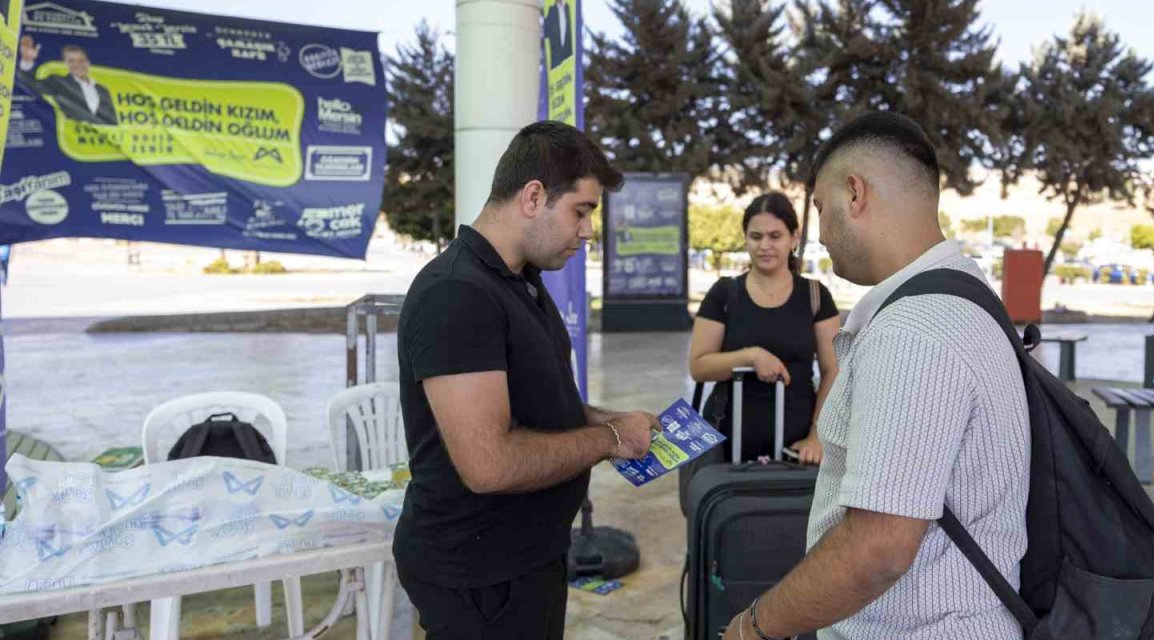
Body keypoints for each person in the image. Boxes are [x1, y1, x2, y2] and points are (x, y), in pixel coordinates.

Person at [722, 112, 1030, 639]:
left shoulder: (912, 331)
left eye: (819, 208)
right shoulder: (965, 290)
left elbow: (878, 547)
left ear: (855, 193)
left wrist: (754, 627)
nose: (818, 235)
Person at [394, 121, 659, 639]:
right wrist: (608, 440)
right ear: (534, 197)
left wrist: (613, 421)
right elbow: (488, 464)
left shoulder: (519, 282)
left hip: (528, 557)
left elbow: (544, 406)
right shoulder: (456, 294)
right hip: (479, 576)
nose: (587, 231)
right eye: (581, 211)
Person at [688, 193, 840, 464]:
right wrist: (751, 356)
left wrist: (817, 436)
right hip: (727, 441)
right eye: (756, 237)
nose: (765, 245)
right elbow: (699, 366)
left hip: (797, 444)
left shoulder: (816, 296)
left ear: (794, 238)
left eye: (775, 236)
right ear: (745, 238)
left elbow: (833, 371)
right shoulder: (724, 294)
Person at [17, 37, 117, 126]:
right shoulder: (58, 82)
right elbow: (30, 84)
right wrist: (27, 60)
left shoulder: (103, 90)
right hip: (70, 143)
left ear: (88, 63)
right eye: (71, 61)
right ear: (65, 63)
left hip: (100, 145)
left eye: (81, 61)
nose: (77, 65)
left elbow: (113, 122)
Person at [543, 0, 574, 68]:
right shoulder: (551, 10)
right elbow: (546, 32)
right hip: (556, 55)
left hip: (567, 55)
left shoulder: (567, 8)